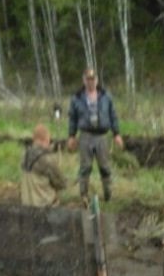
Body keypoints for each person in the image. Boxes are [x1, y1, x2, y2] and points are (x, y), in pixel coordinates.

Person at [67, 67, 123, 206]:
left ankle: (108, 195)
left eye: (93, 79)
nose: (90, 82)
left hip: (102, 136)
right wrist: (71, 136)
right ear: (84, 80)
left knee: (105, 167)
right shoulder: (77, 98)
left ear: (97, 80)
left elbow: (113, 116)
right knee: (85, 167)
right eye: (88, 79)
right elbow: (72, 118)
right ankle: (83, 195)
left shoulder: (106, 96)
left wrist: (116, 134)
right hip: (85, 136)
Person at [20, 124, 67, 207]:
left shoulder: (25, 154)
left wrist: (51, 149)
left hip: (26, 205)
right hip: (43, 206)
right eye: (49, 141)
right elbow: (61, 183)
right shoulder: (46, 159)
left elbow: (37, 151)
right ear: (46, 140)